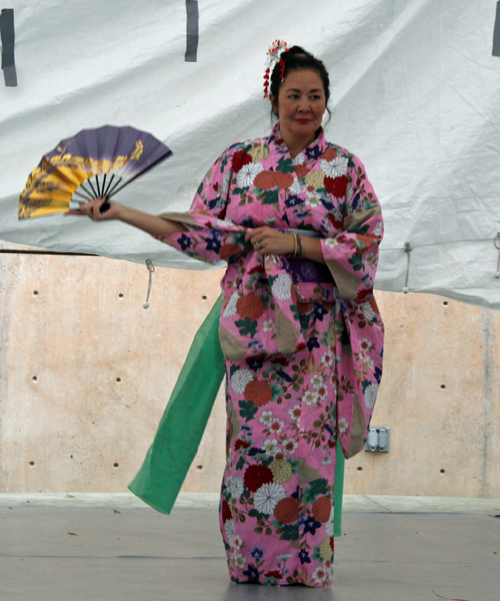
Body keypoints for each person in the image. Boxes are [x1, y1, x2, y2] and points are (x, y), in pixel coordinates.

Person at [71, 43, 384, 588]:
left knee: (309, 453)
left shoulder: (344, 169)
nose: (304, 106)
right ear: (274, 98)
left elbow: (367, 243)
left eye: (315, 96)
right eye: (294, 95)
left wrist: (296, 244)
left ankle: (308, 563)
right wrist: (121, 212)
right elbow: (201, 232)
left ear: (327, 102)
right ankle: (249, 560)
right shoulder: (238, 162)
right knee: (252, 449)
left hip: (313, 338)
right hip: (253, 329)